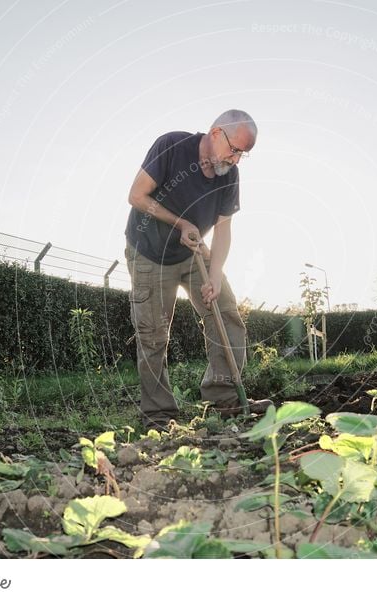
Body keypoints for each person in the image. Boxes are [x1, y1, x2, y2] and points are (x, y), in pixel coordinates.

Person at [124, 109, 273, 430]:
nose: (236, 159)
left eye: (243, 154)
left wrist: (216, 273)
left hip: (194, 254)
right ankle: (159, 414)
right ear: (216, 133)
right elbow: (136, 195)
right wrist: (180, 222)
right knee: (153, 334)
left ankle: (223, 399)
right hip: (149, 253)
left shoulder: (229, 176)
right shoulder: (172, 147)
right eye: (235, 149)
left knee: (227, 313)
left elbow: (223, 229)